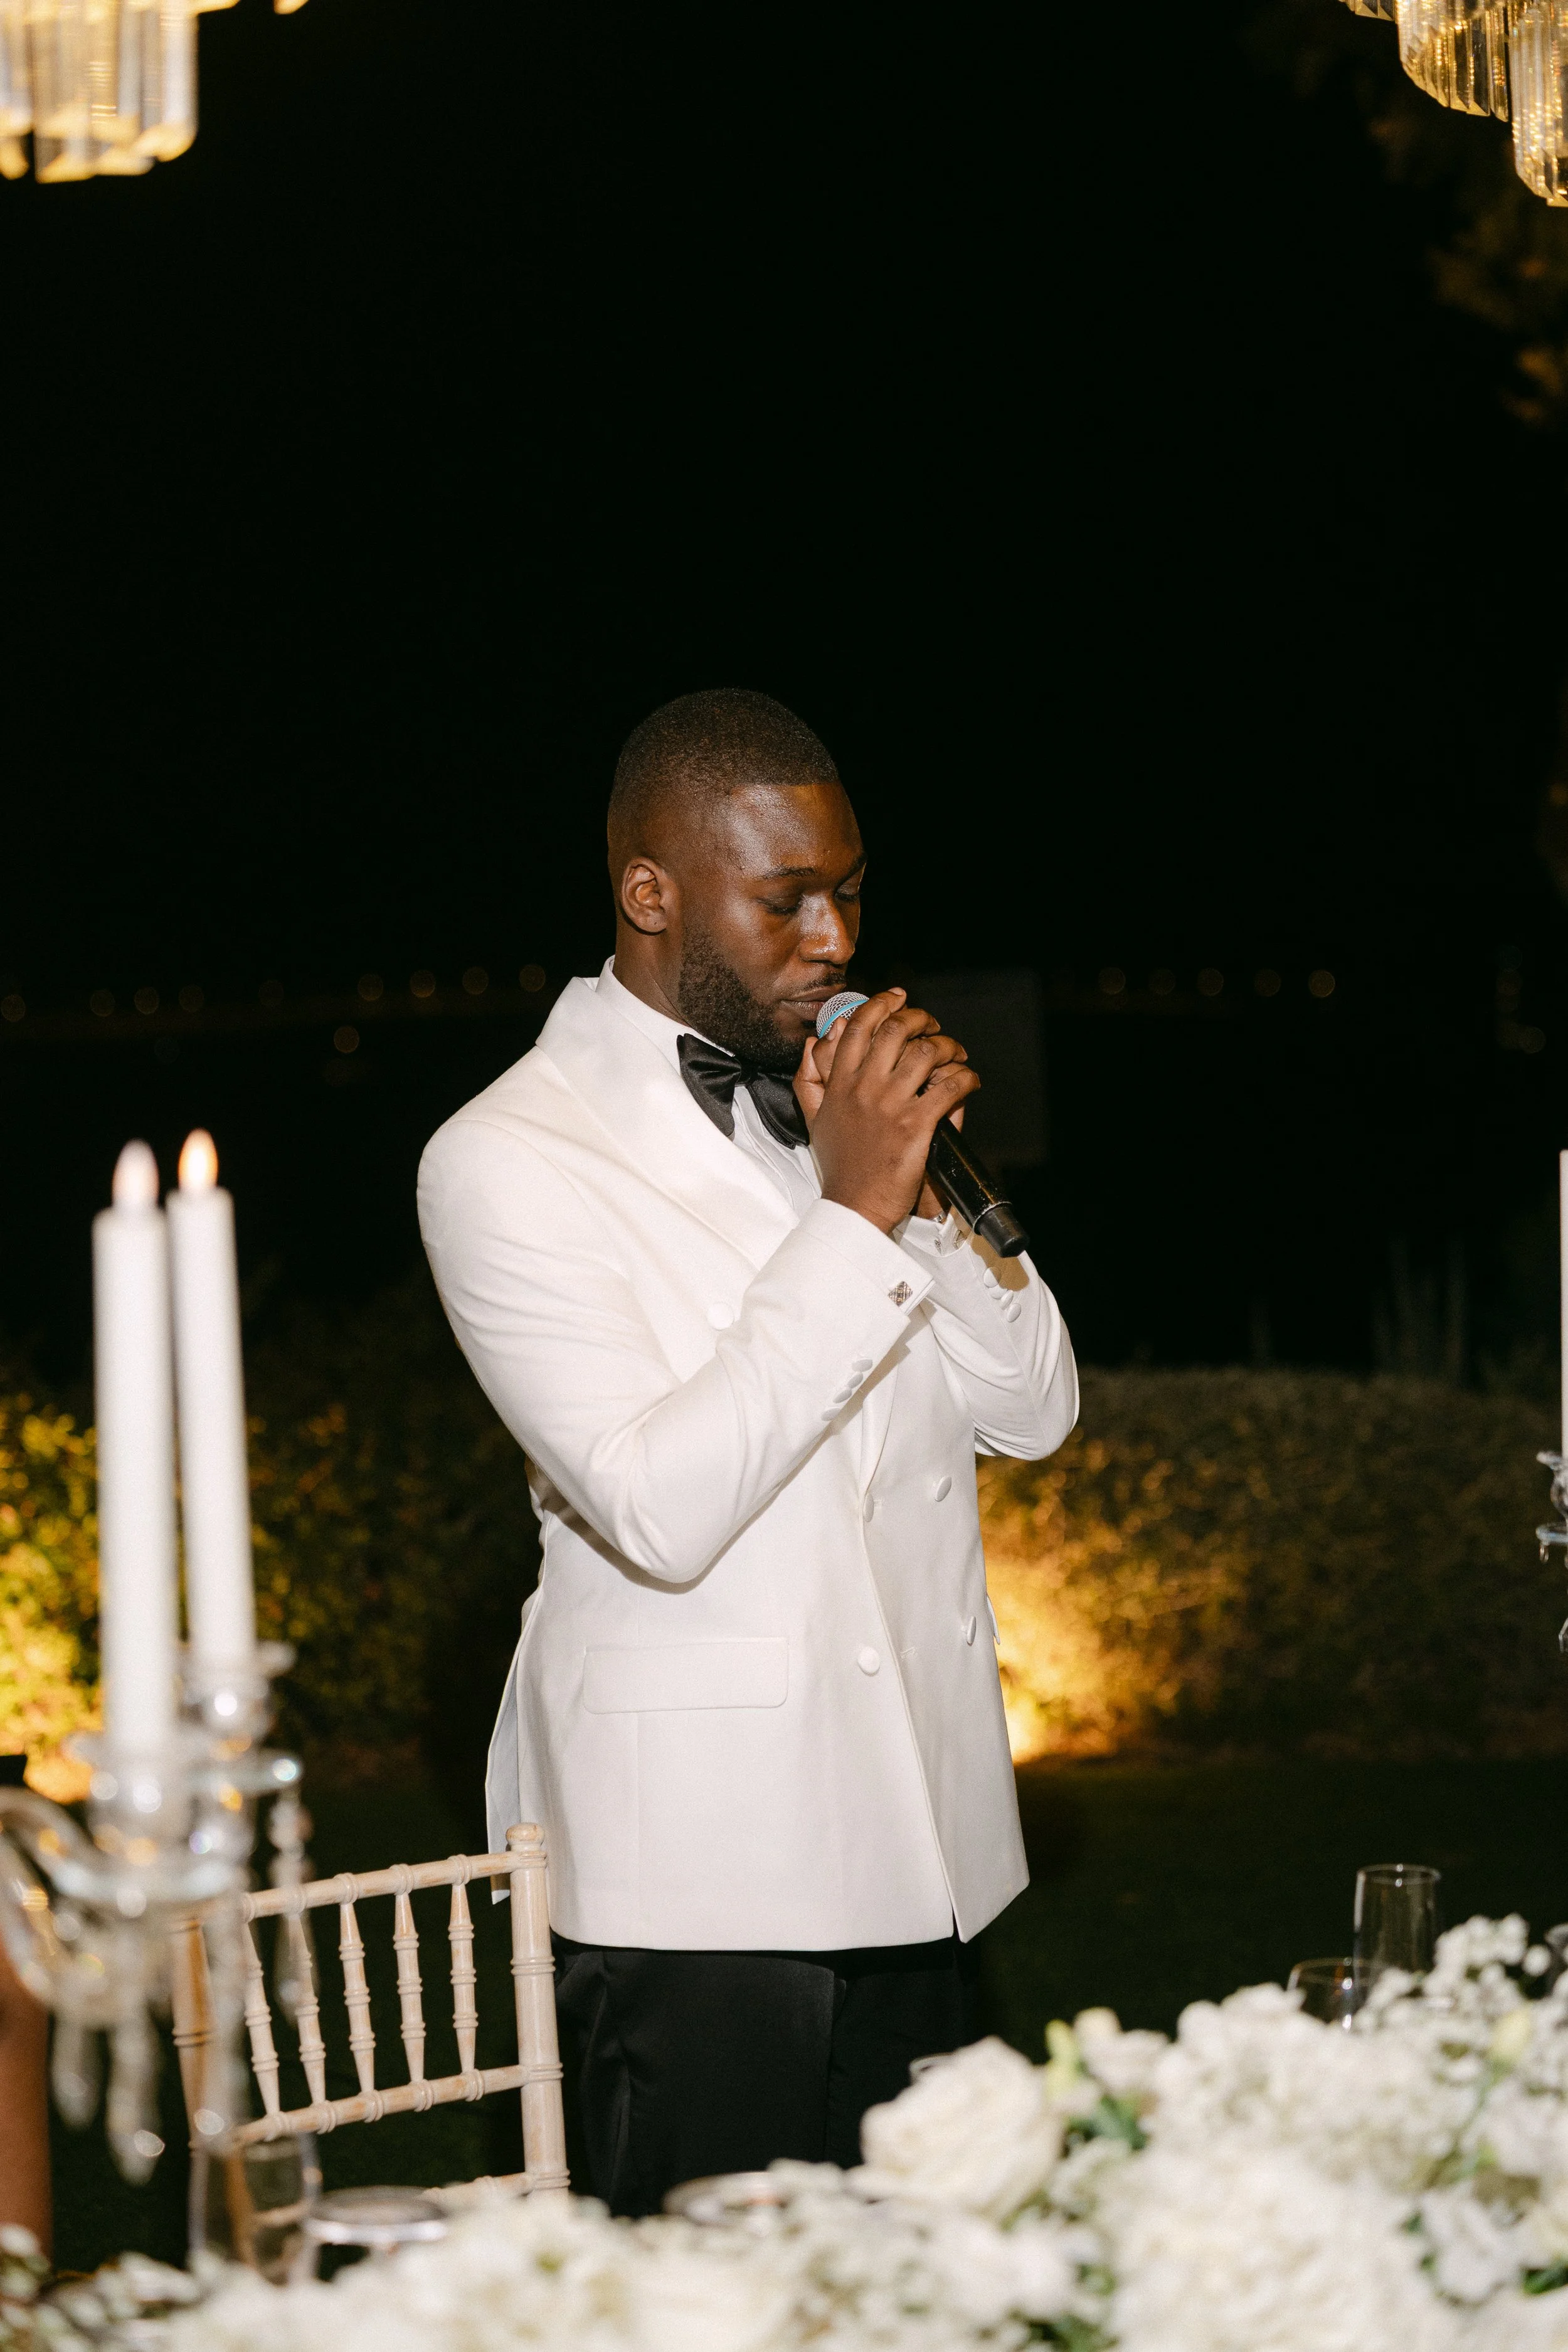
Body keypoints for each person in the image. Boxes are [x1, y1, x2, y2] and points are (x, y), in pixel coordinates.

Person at [418, 688, 1077, 2215]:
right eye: (787, 898)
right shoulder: (505, 1157)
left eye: (847, 891)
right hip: (696, 1886)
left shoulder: (829, 1116)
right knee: (700, 2310)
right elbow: (657, 1506)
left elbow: (1033, 1411)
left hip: (920, 1846)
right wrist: (849, 1215)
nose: (836, 936)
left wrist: (909, 1193)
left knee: (925, 2304)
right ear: (650, 893)